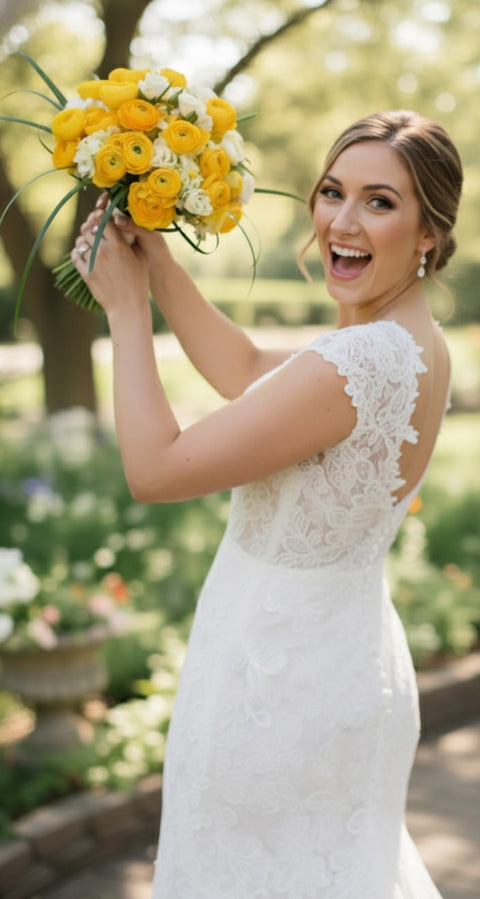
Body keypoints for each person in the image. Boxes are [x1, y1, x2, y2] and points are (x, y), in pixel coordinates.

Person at [72, 109, 463, 898]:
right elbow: (247, 366)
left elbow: (155, 469)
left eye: (380, 202)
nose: (342, 223)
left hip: (275, 692)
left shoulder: (362, 357)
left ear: (429, 233)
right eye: (332, 192)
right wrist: (158, 264)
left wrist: (124, 310)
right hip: (341, 660)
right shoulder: (412, 342)